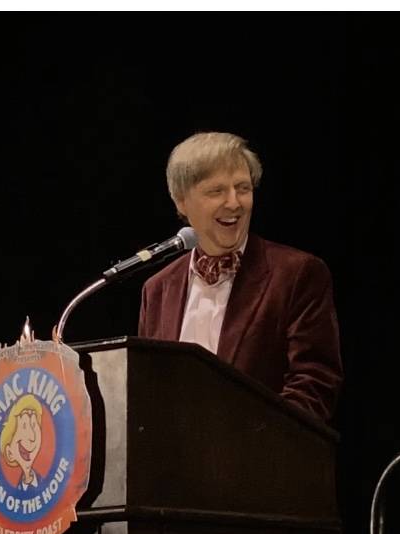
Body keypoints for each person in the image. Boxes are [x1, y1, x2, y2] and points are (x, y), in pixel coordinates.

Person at [138, 131, 343, 422]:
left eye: (243, 188)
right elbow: (149, 390)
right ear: (182, 202)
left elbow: (315, 385)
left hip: (262, 460)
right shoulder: (157, 289)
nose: (234, 203)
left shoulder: (297, 273)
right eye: (217, 191)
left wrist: (242, 444)